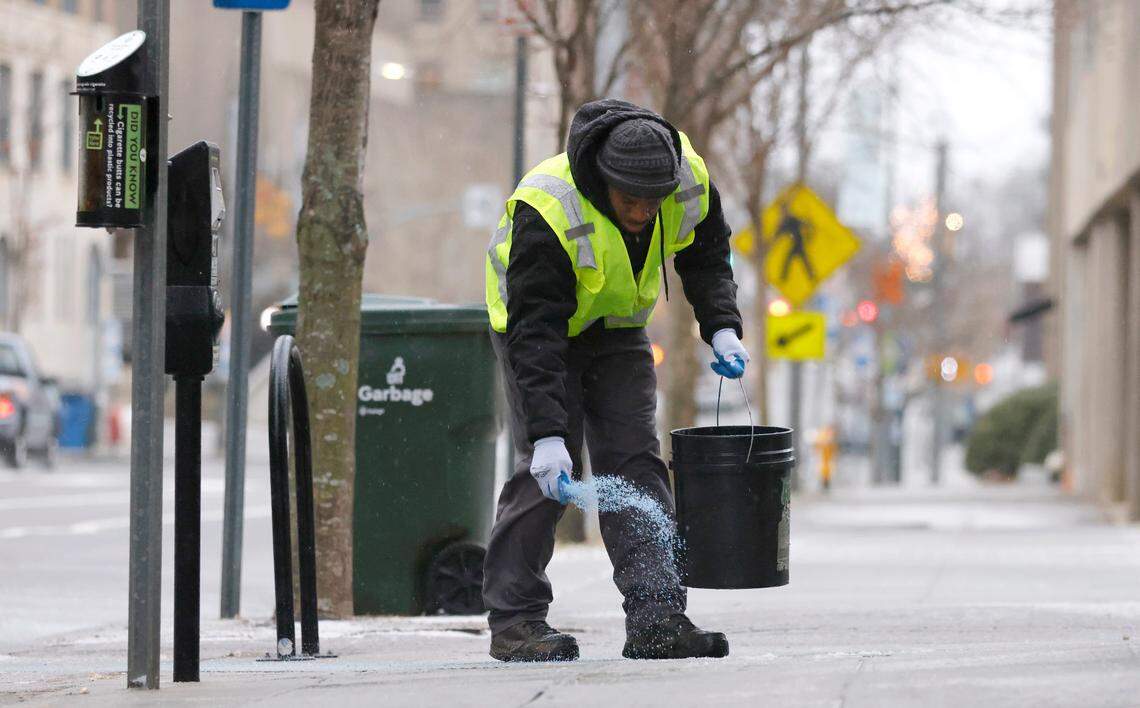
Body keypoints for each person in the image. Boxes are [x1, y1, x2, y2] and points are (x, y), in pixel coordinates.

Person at [483, 99, 749, 662]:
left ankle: (657, 618)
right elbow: (536, 335)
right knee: (547, 475)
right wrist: (549, 435)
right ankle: (515, 622)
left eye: (654, 200)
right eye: (631, 200)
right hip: (536, 329)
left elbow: (706, 255)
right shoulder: (547, 208)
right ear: (604, 181)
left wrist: (722, 326)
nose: (645, 212)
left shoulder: (688, 181)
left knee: (635, 461)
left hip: (618, 327)